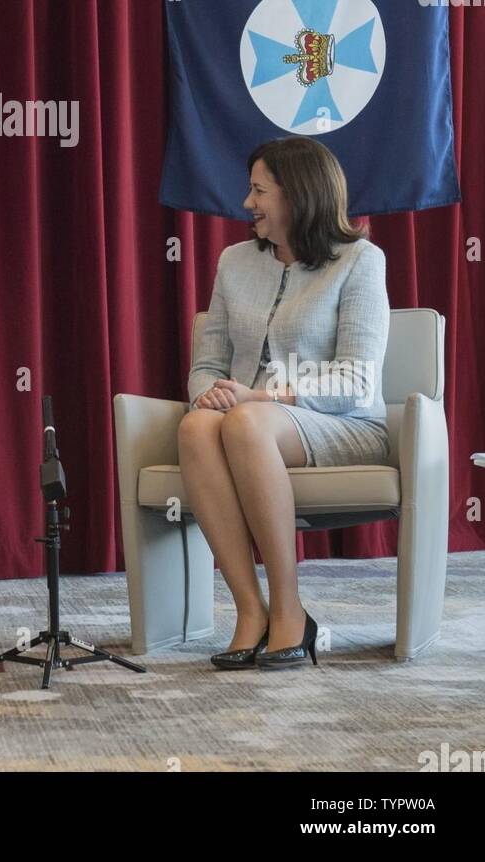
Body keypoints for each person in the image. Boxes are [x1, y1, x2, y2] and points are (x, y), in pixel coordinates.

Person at [178, 136, 390, 672]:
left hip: (343, 424)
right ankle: (251, 611)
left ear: (298, 195)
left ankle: (291, 609)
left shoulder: (360, 261)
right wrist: (210, 393)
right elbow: (208, 361)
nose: (247, 203)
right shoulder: (234, 261)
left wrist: (259, 397)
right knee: (197, 427)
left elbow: (356, 381)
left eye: (259, 191)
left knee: (245, 422)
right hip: (246, 421)